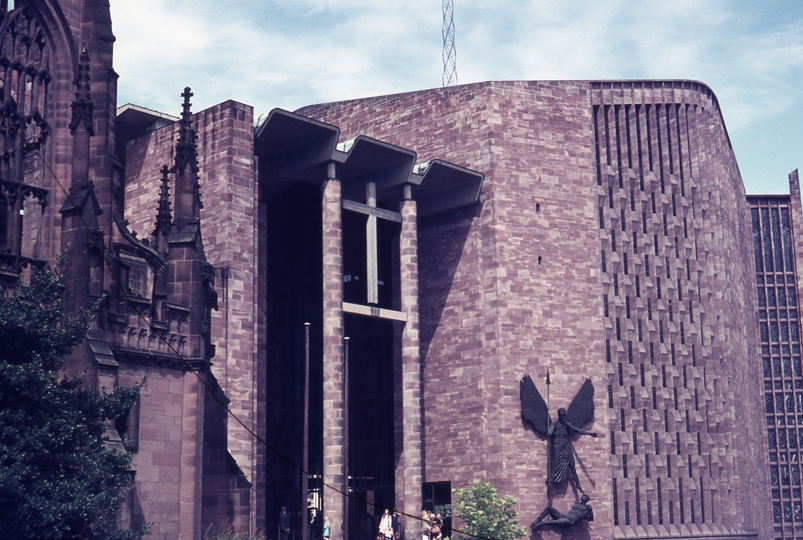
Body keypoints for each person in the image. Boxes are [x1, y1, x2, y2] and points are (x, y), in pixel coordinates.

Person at [549, 408, 597, 492]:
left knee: (572, 467)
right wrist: (549, 433)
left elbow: (578, 430)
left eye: (564, 415)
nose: (563, 417)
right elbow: (550, 430)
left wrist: (590, 433)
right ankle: (550, 484)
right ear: (558, 415)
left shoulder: (566, 424)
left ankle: (578, 485)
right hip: (557, 447)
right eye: (561, 415)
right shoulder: (554, 424)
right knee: (555, 465)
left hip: (566, 447)